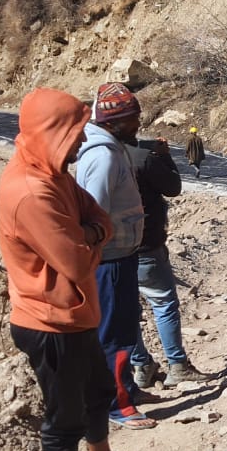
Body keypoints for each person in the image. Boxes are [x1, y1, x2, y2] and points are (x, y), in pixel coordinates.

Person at [0, 87, 154, 451]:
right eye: (74, 134)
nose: (83, 144)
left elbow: (96, 218)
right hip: (49, 323)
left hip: (76, 313)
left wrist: (92, 230)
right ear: (51, 134)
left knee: (98, 392)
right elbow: (80, 259)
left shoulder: (55, 173)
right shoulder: (30, 193)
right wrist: (94, 232)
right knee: (63, 420)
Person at [75, 82, 155, 430]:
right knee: (114, 333)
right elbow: (94, 211)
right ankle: (117, 404)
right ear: (117, 120)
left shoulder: (112, 146)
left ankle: (127, 390)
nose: (139, 123)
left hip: (119, 255)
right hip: (109, 260)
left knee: (124, 327)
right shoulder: (104, 155)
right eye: (134, 118)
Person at [126, 135, 210, 388]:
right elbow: (173, 187)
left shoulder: (96, 158)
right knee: (163, 303)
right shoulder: (143, 159)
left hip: (110, 252)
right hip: (146, 246)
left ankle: (141, 366)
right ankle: (177, 365)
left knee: (127, 312)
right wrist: (163, 155)